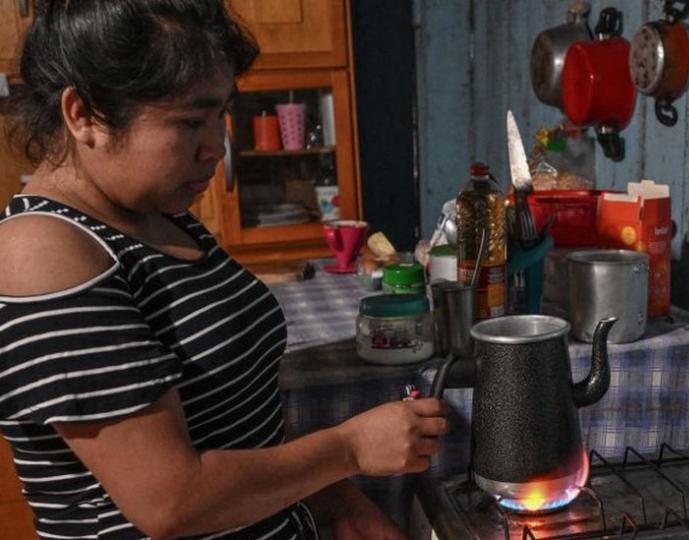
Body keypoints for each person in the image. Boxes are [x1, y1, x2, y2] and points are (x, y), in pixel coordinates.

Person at [0, 1, 448, 539]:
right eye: (189, 121)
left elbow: (240, 412)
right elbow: (172, 501)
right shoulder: (42, 253)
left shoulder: (159, 217)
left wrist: (340, 504)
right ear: (84, 114)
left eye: (219, 116)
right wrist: (348, 448)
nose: (216, 146)